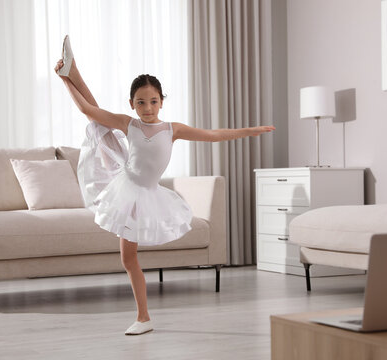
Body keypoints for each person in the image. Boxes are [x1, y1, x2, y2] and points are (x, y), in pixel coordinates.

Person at [54, 35, 274, 336]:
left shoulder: (172, 130)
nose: (147, 107)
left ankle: (144, 317)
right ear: (131, 104)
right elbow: (88, 111)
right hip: (126, 185)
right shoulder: (129, 124)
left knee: (128, 258)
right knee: (98, 124)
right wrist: (64, 83)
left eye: (153, 101)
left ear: (162, 101)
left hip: (146, 194)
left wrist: (251, 130)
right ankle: (72, 73)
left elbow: (215, 134)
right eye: (141, 102)